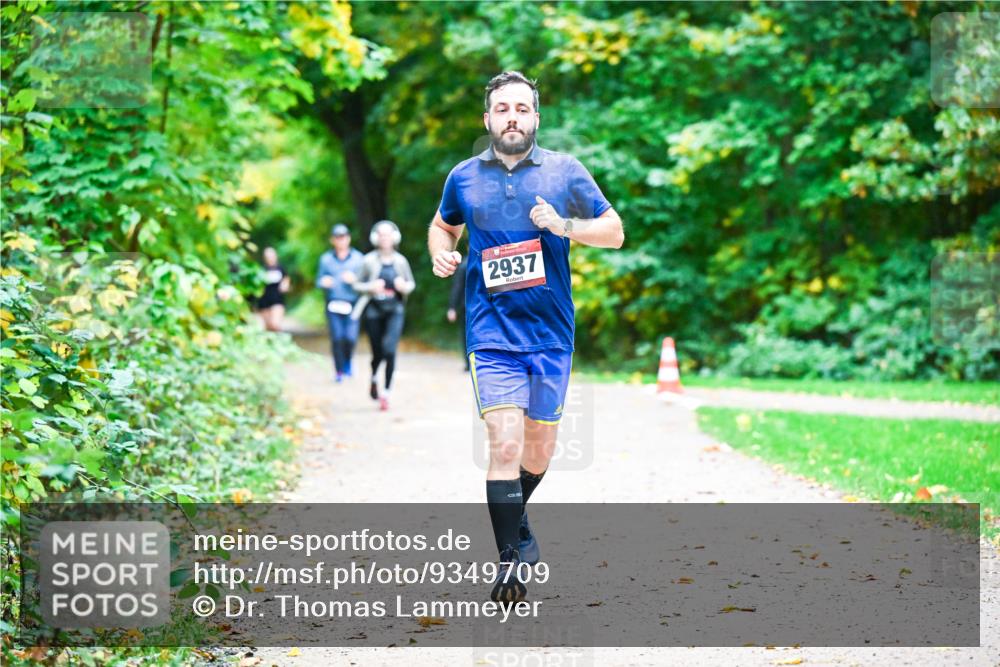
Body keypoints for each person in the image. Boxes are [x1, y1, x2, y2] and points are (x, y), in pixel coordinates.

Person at [427, 71, 624, 603]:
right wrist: (440, 252)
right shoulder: (463, 177)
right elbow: (443, 225)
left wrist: (563, 226)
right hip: (491, 332)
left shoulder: (565, 172)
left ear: (535, 117)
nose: (512, 116)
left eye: (522, 108)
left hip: (551, 333)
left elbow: (615, 231)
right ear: (487, 118)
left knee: (538, 453)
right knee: (505, 443)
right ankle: (510, 562)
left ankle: (517, 521)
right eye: (502, 108)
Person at [352, 220, 416, 411]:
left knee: (390, 350)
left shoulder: (401, 261)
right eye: (381, 235)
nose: (384, 238)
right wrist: (370, 287)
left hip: (395, 310)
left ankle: (386, 392)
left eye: (388, 234)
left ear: (394, 238)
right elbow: (356, 284)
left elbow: (411, 284)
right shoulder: (368, 260)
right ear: (375, 238)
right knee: (377, 352)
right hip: (373, 310)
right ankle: (373, 378)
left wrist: (404, 287)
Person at [317, 224, 364, 382]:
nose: (341, 240)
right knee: (337, 338)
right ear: (332, 240)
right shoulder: (326, 259)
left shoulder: (358, 259)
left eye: (343, 237)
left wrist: (355, 280)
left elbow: (366, 281)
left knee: (350, 338)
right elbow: (318, 280)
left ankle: (347, 362)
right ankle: (338, 371)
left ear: (348, 238)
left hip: (352, 304)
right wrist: (324, 282)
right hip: (333, 304)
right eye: (337, 237)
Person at [257, 246, 290, 332]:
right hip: (264, 300)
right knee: (268, 327)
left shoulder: (281, 268)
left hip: (277, 299)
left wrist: (285, 285)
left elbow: (286, 278)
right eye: (268, 256)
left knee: (275, 324)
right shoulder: (261, 269)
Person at [446, 257, 469, 371]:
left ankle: (469, 363)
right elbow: (457, 287)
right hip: (469, 307)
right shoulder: (466, 265)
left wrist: (452, 308)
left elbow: (457, 287)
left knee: (466, 335)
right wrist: (452, 308)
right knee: (467, 335)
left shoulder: (465, 264)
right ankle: (469, 362)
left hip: (469, 306)